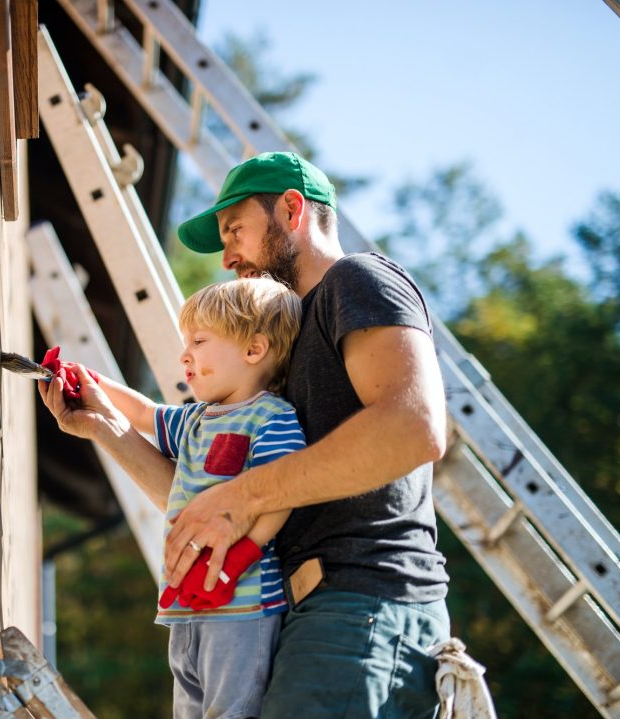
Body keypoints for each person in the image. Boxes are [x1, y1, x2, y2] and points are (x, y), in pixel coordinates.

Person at [42, 151, 451, 718]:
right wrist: (108, 429)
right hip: (299, 614)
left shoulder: (356, 281)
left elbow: (414, 428)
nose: (229, 257)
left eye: (235, 230)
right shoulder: (277, 351)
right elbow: (208, 501)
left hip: (364, 604)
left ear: (291, 209)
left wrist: (240, 497)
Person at [40, 277, 306, 719]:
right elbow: (143, 413)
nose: (185, 354)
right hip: (183, 604)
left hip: (243, 602)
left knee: (231, 711)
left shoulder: (271, 418)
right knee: (189, 707)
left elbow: (279, 493)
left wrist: (244, 552)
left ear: (254, 350)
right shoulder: (196, 420)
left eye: (199, 341)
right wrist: (90, 383)